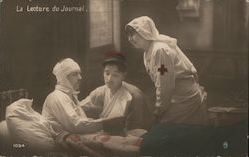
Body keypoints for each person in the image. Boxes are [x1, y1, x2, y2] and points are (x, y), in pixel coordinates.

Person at [125, 16, 208, 155]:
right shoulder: (148, 52)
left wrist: (159, 110)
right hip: (174, 96)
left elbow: (165, 86)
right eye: (129, 35)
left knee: (166, 135)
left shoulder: (159, 50)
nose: (130, 38)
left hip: (183, 97)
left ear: (145, 32)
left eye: (134, 33)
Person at [42, 58, 142, 156]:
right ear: (64, 77)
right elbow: (75, 124)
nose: (80, 78)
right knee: (108, 141)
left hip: (75, 132)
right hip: (64, 137)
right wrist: (105, 122)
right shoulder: (57, 97)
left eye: (79, 73)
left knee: (120, 138)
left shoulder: (69, 96)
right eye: (75, 74)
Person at [80, 52, 153, 136]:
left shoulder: (134, 96)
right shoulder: (100, 91)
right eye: (107, 73)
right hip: (111, 132)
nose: (109, 79)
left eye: (115, 75)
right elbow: (80, 107)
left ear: (123, 76)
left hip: (134, 131)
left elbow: (134, 127)